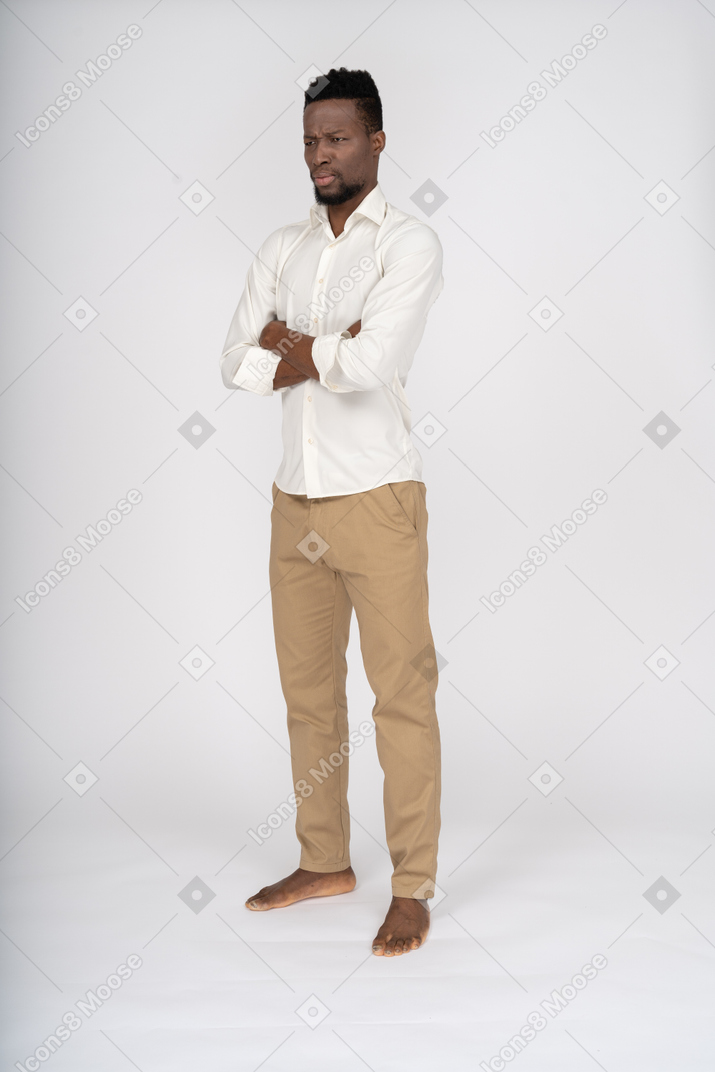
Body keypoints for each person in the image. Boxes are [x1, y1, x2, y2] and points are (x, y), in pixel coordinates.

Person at [219, 67, 444, 957]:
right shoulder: (281, 247)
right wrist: (322, 347)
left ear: (376, 142)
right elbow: (231, 360)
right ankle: (324, 861)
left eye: (338, 138)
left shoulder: (408, 244)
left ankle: (414, 886)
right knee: (308, 697)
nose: (320, 154)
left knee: (402, 697)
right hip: (294, 502)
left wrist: (297, 345)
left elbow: (371, 364)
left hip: (379, 500)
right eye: (311, 139)